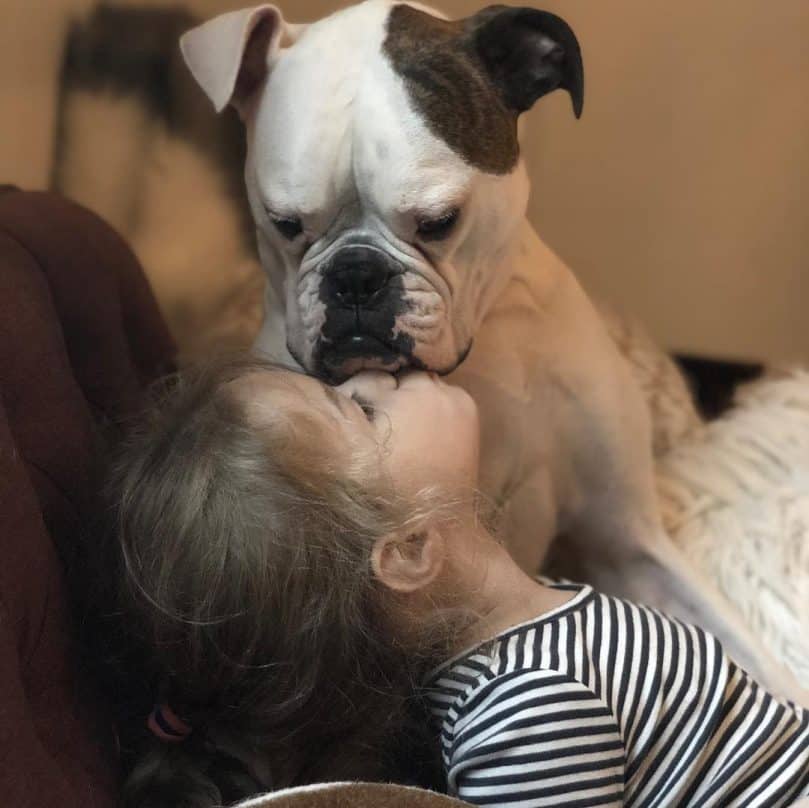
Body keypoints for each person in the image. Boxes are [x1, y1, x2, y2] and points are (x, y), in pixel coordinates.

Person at [93, 356, 809, 808]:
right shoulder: (525, 706)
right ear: (406, 551)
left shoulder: (529, 642)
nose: (373, 369)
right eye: (357, 408)